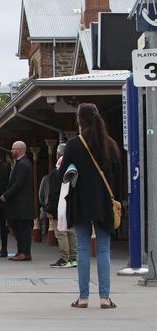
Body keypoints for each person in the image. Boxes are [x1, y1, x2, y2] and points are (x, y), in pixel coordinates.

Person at [59, 103, 121, 309]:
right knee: (103, 250)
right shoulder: (109, 144)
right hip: (103, 202)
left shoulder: (74, 145)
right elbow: (117, 174)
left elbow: (62, 175)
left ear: (79, 120)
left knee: (83, 249)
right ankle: (105, 298)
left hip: (80, 202)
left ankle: (83, 297)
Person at [0, 141, 34, 261]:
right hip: (18, 205)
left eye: (14, 149)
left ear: (20, 150)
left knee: (23, 230)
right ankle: (21, 251)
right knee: (18, 229)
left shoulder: (23, 165)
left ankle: (25, 252)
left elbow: (18, 184)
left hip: (22, 205)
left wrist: (6, 195)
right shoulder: (20, 163)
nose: (12, 151)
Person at [46, 143, 77, 268]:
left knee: (61, 233)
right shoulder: (73, 168)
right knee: (71, 232)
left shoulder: (57, 171)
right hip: (71, 206)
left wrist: (49, 209)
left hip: (60, 207)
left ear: (58, 154)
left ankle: (64, 258)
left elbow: (54, 192)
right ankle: (73, 258)